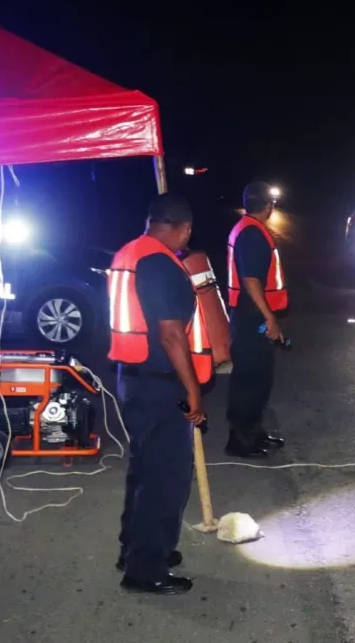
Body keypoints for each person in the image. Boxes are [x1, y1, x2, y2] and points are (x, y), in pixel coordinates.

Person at [108, 193, 213, 595]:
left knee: (143, 472)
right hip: (159, 384)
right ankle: (145, 570)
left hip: (132, 378)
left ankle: (136, 550)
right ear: (184, 228)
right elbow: (172, 335)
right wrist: (194, 392)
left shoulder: (128, 253)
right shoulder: (161, 264)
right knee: (164, 480)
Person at [225, 181, 289, 458]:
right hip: (252, 318)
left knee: (260, 377)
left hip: (252, 317)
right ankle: (240, 440)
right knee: (250, 379)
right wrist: (269, 318)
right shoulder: (252, 233)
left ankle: (254, 432)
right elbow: (251, 280)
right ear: (269, 206)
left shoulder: (247, 228)